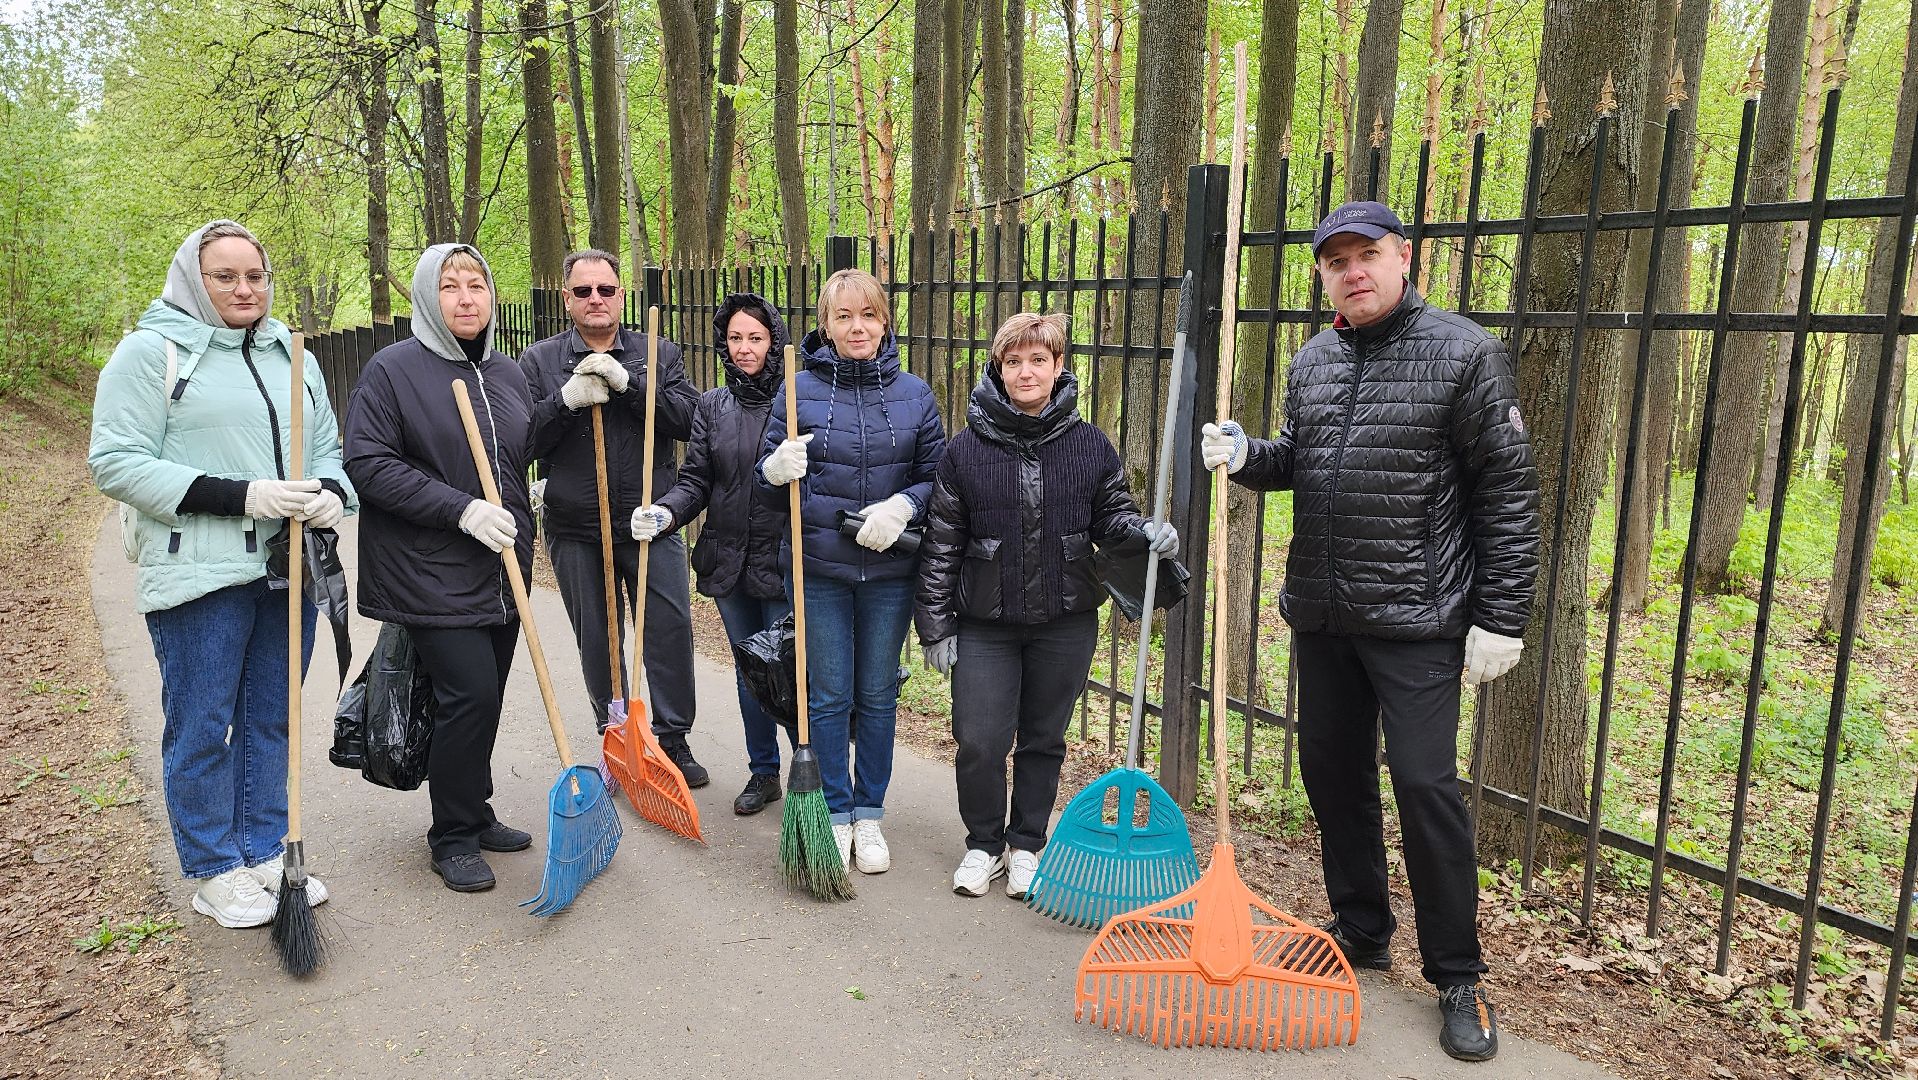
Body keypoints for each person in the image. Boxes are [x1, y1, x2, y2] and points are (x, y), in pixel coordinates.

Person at [1201, 200, 1539, 1062]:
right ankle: (1360, 927)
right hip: (1325, 613)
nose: (1352, 271)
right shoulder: (1313, 360)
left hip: (1419, 618)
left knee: (1425, 788)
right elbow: (1302, 463)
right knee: (1332, 775)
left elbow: (1507, 491)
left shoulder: (1465, 354)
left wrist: (1501, 617)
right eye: (1335, 260)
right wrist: (1247, 455)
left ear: (1403, 256)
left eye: (1366, 255)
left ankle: (1457, 973)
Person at [89, 220, 355, 928]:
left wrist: (329, 490)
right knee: (203, 722)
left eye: (255, 276)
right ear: (192, 280)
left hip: (284, 566)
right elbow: (113, 461)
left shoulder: (290, 352)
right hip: (197, 573)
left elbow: (327, 444)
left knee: (273, 715)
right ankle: (213, 867)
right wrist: (243, 494)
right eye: (225, 276)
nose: (245, 289)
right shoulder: (152, 355)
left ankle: (263, 848)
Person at [915, 313, 1177, 899]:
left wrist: (1144, 531)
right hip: (985, 622)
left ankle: (1027, 843)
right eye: (1014, 361)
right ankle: (983, 844)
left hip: (1066, 619)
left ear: (1060, 368)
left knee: (1043, 738)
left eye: (1039, 360)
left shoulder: (1088, 445)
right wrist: (935, 624)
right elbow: (942, 540)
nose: (1026, 371)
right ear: (999, 370)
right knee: (979, 738)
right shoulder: (965, 450)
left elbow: (1112, 514)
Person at [343, 243, 536, 894]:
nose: (465, 297)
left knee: (487, 699)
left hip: (503, 570)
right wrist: (460, 509)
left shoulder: (507, 374)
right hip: (427, 570)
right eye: (449, 286)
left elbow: (521, 451)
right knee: (469, 695)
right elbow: (368, 465)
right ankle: (450, 836)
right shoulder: (393, 371)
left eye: (476, 284)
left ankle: (475, 810)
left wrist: (524, 492)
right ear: (428, 296)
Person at [758, 268, 945, 873]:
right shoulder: (796, 389)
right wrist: (772, 468)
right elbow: (765, 473)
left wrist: (905, 504)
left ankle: (871, 816)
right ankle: (835, 813)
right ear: (826, 325)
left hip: (890, 573)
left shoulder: (915, 395)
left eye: (868, 315)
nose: (857, 327)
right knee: (830, 697)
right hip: (820, 570)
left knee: (878, 695)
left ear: (884, 320)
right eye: (844, 317)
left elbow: (937, 476)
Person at [518, 250, 707, 785]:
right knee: (599, 638)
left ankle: (672, 740)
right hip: (577, 527)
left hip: (650, 522)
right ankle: (617, 734)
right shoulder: (539, 362)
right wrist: (566, 400)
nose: (595, 299)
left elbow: (691, 420)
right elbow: (524, 439)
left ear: (622, 295)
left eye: (606, 289)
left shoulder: (659, 353)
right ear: (567, 300)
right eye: (583, 292)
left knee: (668, 630)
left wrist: (631, 385)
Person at [632, 294, 793, 815]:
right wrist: (666, 512)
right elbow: (697, 480)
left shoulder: (800, 399)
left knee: (792, 672)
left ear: (774, 342)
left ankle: (814, 777)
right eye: (735, 339)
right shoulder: (712, 407)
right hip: (729, 561)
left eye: (756, 338)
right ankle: (763, 772)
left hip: (785, 561)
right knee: (751, 670)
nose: (745, 349)